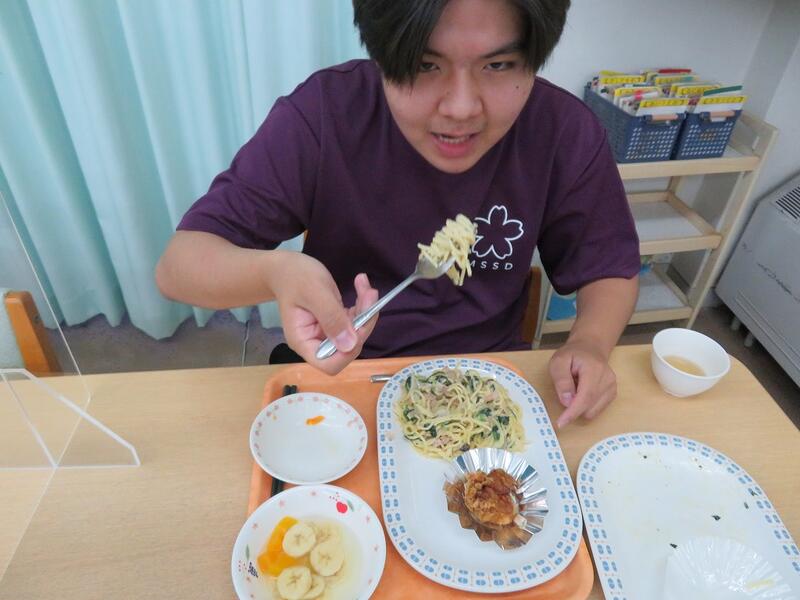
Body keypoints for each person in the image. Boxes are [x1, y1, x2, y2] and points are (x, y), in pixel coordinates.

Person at [156, 0, 640, 428]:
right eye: (426, 65)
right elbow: (180, 266)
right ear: (383, 54)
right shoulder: (326, 114)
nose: (461, 108)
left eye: (498, 65)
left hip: (487, 379)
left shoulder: (562, 131)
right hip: (347, 374)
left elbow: (608, 267)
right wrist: (275, 272)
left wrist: (590, 343)